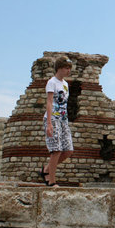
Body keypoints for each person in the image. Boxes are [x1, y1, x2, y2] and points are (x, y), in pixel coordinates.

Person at [40, 56, 74, 186]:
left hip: (63, 120)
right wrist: (49, 123)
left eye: (69, 68)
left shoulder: (65, 84)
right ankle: (51, 181)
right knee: (56, 150)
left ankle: (46, 170)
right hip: (52, 119)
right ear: (59, 68)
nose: (68, 71)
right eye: (66, 68)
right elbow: (49, 102)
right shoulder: (52, 82)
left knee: (68, 150)